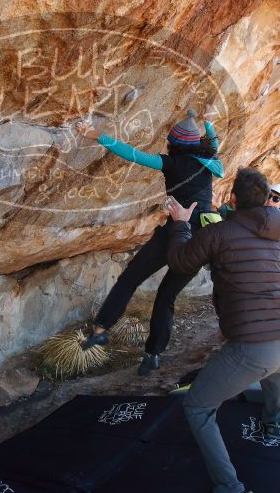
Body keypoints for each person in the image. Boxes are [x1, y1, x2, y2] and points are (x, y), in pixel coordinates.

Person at [166, 167, 280, 493]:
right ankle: (275, 427)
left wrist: (181, 225)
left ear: (232, 198)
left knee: (198, 407)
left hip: (255, 348)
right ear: (267, 199)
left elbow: (180, 261)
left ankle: (230, 487)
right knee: (276, 368)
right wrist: (222, 214)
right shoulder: (279, 232)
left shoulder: (219, 233)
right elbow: (246, 227)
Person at [76, 108, 224, 375]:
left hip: (173, 232)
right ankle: (153, 354)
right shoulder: (211, 163)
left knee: (130, 278)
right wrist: (209, 123)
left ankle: (100, 329)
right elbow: (212, 145)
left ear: (173, 145)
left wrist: (96, 135)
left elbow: (133, 154)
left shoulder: (171, 163)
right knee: (166, 296)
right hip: (198, 240)